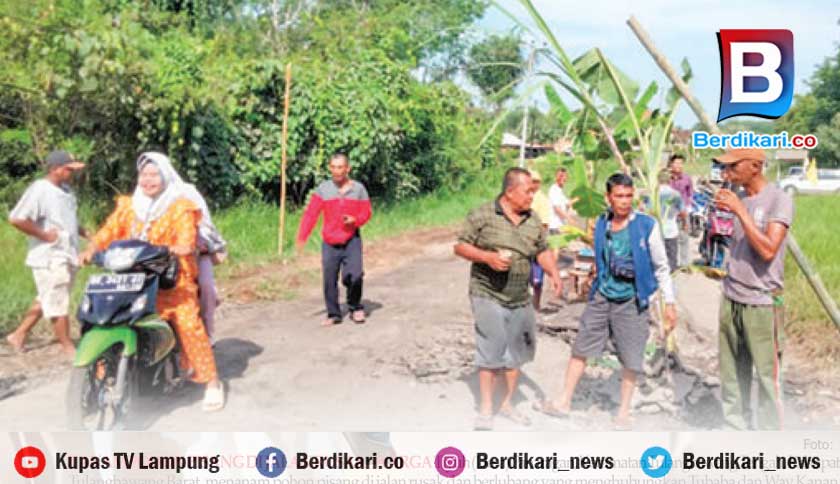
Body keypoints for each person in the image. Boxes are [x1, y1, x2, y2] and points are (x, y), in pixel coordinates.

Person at [78, 152, 225, 412]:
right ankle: (98, 375)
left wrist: (180, 246)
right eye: (144, 175)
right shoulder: (128, 207)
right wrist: (91, 250)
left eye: (154, 174)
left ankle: (212, 383)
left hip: (172, 280)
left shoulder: (180, 207)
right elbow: (108, 232)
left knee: (188, 324)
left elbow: (186, 237)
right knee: (101, 317)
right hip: (132, 280)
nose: (148, 180)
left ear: (165, 176)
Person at [536, 173, 677, 430]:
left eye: (628, 196)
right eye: (619, 196)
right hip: (602, 297)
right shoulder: (601, 224)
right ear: (608, 198)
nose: (625, 201)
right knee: (581, 347)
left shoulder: (647, 225)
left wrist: (669, 302)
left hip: (633, 301)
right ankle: (564, 401)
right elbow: (600, 257)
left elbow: (662, 266)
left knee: (631, 356)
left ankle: (623, 413)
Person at [454, 167, 562, 430]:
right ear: (510, 191)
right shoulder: (483, 214)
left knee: (517, 353)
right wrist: (488, 257)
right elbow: (460, 246)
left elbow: (542, 250)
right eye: (528, 191)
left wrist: (554, 273)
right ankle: (486, 410)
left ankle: (506, 404)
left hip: (519, 297)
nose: (532, 196)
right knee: (491, 348)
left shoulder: (533, 219)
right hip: (486, 293)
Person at [712, 148, 793, 430]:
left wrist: (739, 211)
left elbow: (768, 250)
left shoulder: (778, 200)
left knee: (767, 377)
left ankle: (771, 440)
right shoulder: (741, 198)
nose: (727, 173)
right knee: (732, 372)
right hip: (732, 295)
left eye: (733, 167)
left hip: (761, 302)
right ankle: (736, 429)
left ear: (755, 167)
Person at [6, 150, 86, 356]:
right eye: (68, 169)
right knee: (57, 300)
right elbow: (17, 218)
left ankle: (18, 334)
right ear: (54, 169)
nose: (71, 173)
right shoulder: (40, 190)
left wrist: (90, 235)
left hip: (67, 252)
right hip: (50, 256)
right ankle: (67, 345)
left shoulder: (66, 191)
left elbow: (70, 221)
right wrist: (44, 235)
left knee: (48, 296)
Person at [296, 153, 372, 326]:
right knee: (329, 278)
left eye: (340, 167)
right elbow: (311, 214)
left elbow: (367, 212)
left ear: (347, 169)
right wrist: (302, 236)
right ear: (330, 168)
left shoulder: (358, 189)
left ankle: (355, 306)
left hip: (351, 239)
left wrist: (356, 220)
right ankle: (333, 314)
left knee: (355, 275)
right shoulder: (323, 189)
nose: (337, 171)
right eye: (333, 167)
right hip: (330, 242)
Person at [528, 169, 552, 311]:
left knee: (537, 279)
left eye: (536, 181)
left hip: (536, 242)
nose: (533, 184)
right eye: (531, 181)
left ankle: (536, 304)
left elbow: (544, 224)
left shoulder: (542, 200)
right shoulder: (521, 197)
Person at [656, 169, 685, 272]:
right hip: (671, 230)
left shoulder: (652, 194)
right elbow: (682, 212)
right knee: (672, 259)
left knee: (657, 259)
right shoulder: (675, 194)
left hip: (656, 232)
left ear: (657, 180)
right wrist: (685, 223)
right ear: (669, 180)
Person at [669, 154, 694, 268]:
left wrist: (688, 206)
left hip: (683, 212)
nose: (679, 166)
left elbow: (690, 193)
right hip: (669, 213)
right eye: (676, 163)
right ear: (671, 164)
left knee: (684, 237)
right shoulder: (666, 178)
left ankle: (684, 264)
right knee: (670, 238)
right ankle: (671, 263)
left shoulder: (687, 178)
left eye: (681, 163)